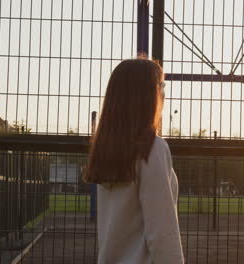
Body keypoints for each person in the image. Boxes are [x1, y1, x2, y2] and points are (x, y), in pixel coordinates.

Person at [84, 57, 184, 264]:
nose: (164, 93)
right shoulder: (152, 149)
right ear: (147, 95)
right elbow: (163, 234)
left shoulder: (108, 150)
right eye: (161, 85)